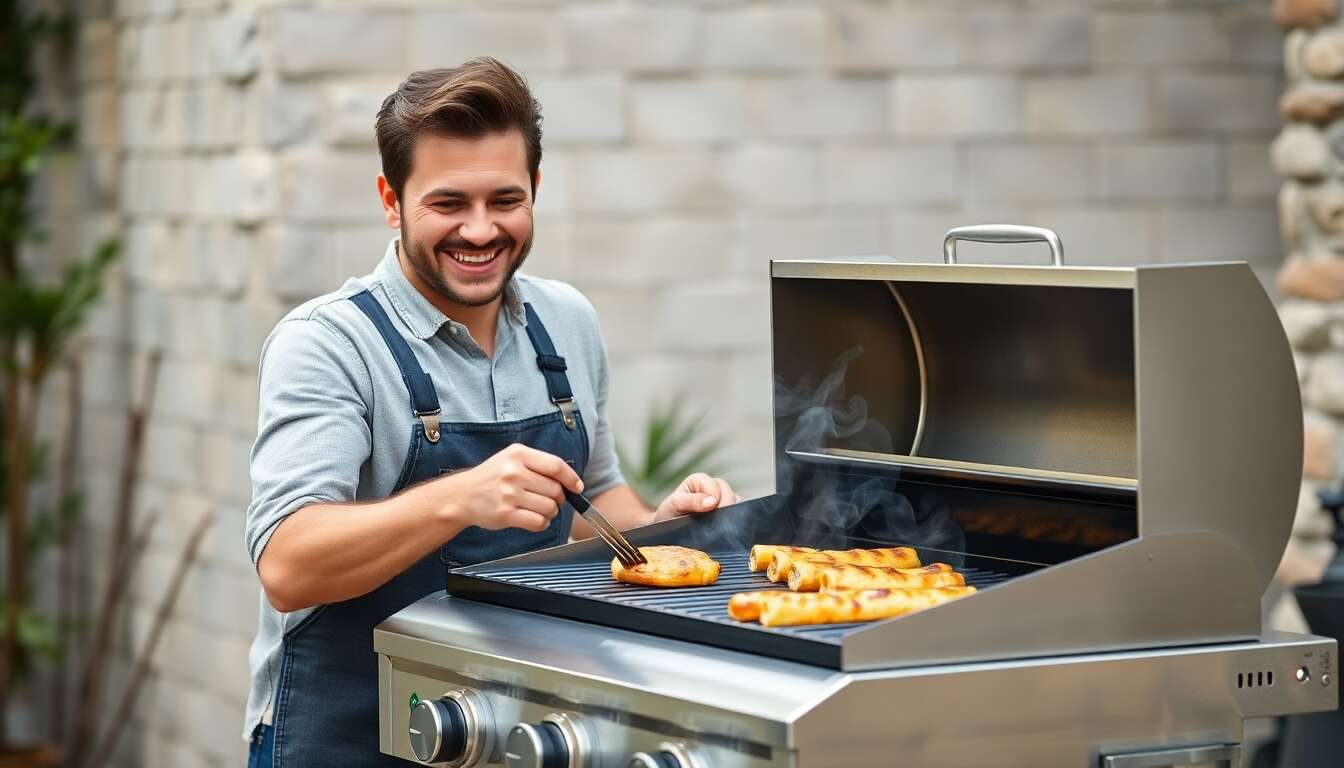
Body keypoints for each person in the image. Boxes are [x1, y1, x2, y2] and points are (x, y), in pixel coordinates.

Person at [241, 58, 737, 767]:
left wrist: (663, 526)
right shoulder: (327, 344)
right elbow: (289, 564)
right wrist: (459, 498)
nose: (480, 231)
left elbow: (595, 496)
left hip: (511, 736)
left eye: (505, 199)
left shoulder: (566, 321)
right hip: (349, 739)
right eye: (448, 203)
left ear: (535, 190)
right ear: (392, 199)